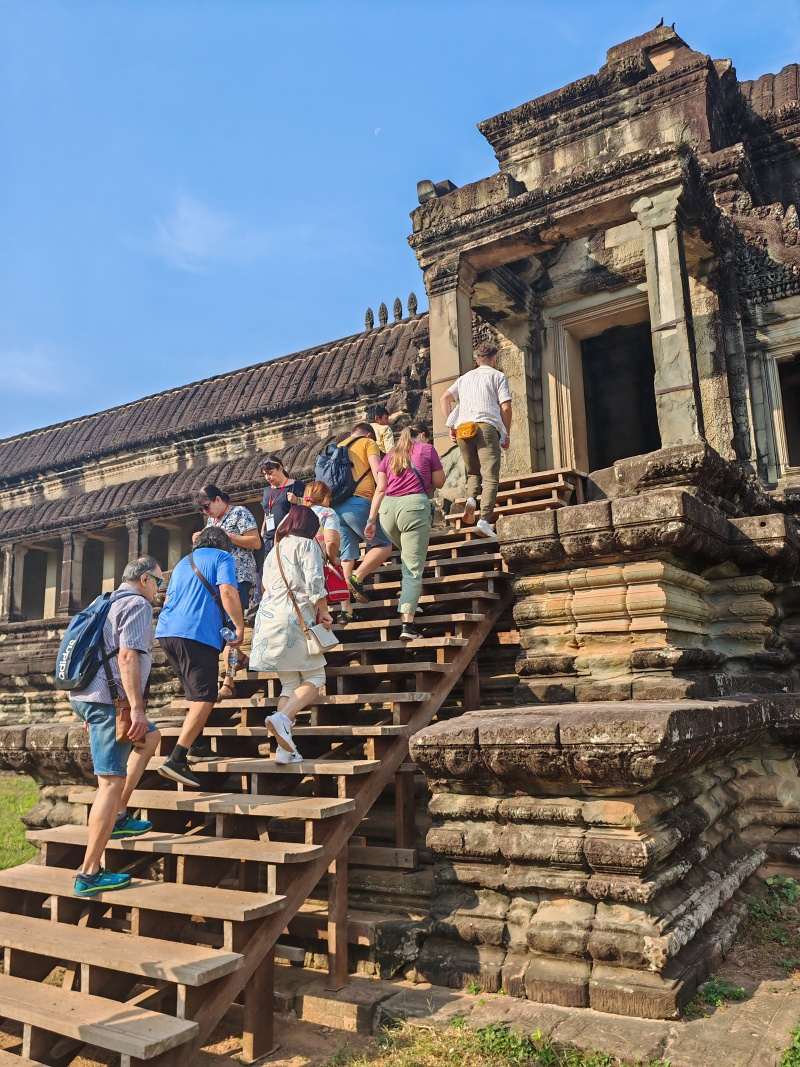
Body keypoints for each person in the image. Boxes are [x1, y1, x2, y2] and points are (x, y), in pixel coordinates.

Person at [69, 556, 164, 897]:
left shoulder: (105, 600)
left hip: (86, 695)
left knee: (151, 737)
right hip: (110, 703)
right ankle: (89, 872)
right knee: (109, 783)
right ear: (143, 580)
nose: (159, 590)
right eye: (158, 582)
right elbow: (127, 657)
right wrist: (136, 708)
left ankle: (120, 814)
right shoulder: (137, 604)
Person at [155, 526, 244, 788]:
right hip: (196, 633)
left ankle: (198, 742)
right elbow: (228, 592)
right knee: (205, 696)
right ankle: (177, 758)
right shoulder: (222, 558)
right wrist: (239, 626)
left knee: (194, 692)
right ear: (223, 545)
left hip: (167, 633)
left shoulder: (184, 562)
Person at [249, 506, 333, 763]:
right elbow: (315, 581)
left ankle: (284, 749)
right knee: (316, 677)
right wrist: (324, 611)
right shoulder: (306, 545)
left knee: (289, 684)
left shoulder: (273, 551)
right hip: (294, 618)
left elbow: (264, 585)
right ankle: (282, 719)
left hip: (268, 619)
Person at [366, 425, 444, 641]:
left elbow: (380, 489)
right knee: (412, 568)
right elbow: (439, 482)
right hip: (413, 507)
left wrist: (371, 519)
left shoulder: (389, 455)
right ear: (421, 435)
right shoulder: (427, 450)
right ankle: (407, 624)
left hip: (387, 511)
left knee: (408, 558)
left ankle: (410, 599)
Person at [440, 341, 513, 539]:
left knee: (473, 472)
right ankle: (484, 520)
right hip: (486, 426)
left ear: (477, 359)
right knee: (490, 476)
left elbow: (444, 398)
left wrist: (451, 424)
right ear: (493, 358)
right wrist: (505, 432)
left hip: (464, 429)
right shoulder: (497, 376)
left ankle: (472, 499)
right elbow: (505, 407)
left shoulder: (464, 378)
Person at [194, 484, 260, 698]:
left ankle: (228, 682)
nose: (206, 512)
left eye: (207, 506)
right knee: (220, 628)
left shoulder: (240, 513)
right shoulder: (212, 521)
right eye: (202, 510)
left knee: (230, 628)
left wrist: (228, 536)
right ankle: (242, 659)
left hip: (238, 577)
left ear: (218, 499)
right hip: (216, 581)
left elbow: (256, 542)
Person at [332, 423, 393, 603]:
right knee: (383, 545)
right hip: (358, 503)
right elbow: (378, 474)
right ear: (368, 434)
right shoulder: (368, 442)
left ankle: (345, 604)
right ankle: (357, 577)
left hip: (337, 507)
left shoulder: (338, 447)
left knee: (348, 554)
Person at [304, 479, 352, 621]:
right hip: (316, 566)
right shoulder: (327, 513)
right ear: (325, 498)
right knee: (318, 613)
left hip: (296, 568)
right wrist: (332, 559)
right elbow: (331, 542)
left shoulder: (295, 514)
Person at [260, 454, 305, 558]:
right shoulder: (267, 491)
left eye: (270, 473)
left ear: (280, 468)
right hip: (269, 539)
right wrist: (262, 532)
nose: (267, 477)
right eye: (265, 474)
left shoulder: (296, 485)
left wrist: (297, 500)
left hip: (289, 536)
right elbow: (267, 512)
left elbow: (310, 505)